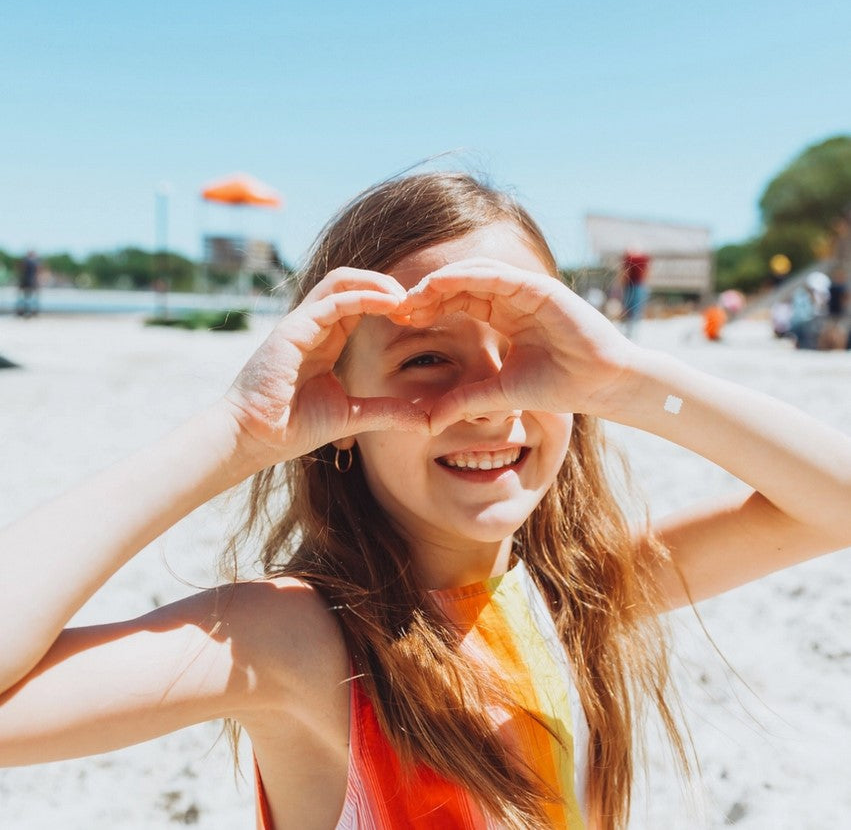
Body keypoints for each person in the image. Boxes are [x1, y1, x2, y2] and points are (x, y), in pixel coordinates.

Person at [1, 172, 849, 830]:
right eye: (424, 361)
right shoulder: (298, 640)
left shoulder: (574, 593)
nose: (484, 400)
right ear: (334, 411)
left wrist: (624, 379)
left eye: (525, 355)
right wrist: (237, 434)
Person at [618, 249, 651, 339]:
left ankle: (630, 332)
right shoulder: (642, 258)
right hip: (637, 286)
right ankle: (631, 332)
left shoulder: (630, 257)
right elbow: (646, 272)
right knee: (634, 310)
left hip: (633, 286)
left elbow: (625, 273)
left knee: (631, 309)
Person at [15, 249, 41, 318]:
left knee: (25, 297)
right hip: (31, 282)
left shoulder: (25, 261)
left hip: (25, 282)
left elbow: (22, 271)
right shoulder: (36, 262)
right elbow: (37, 273)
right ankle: (31, 312)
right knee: (31, 297)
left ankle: (24, 311)